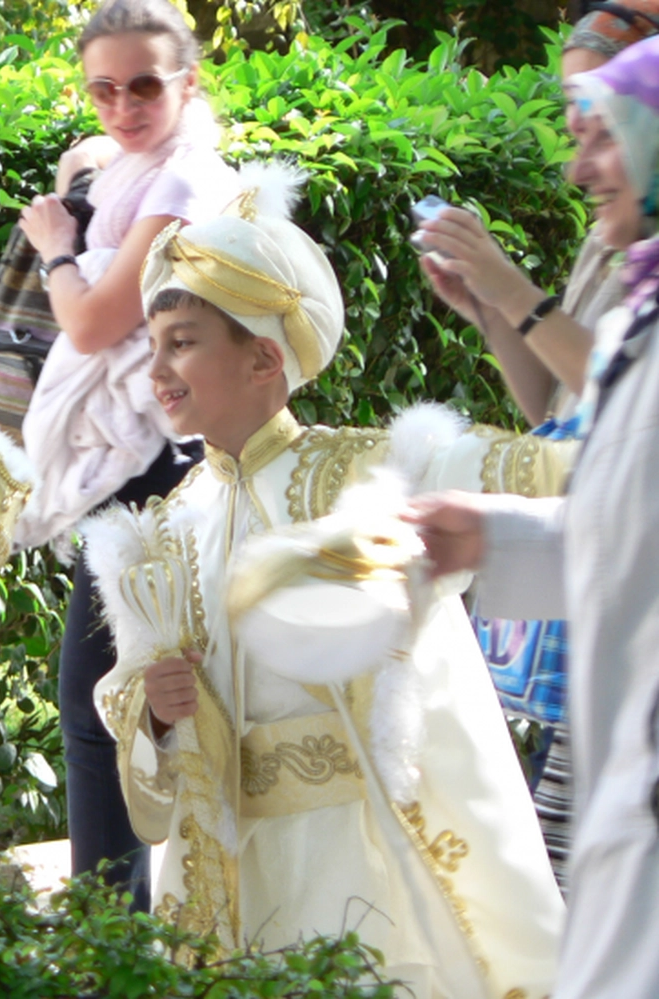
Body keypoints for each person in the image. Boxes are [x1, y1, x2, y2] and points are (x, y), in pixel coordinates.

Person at [86, 163, 566, 998]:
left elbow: (502, 467)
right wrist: (156, 717)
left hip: (362, 845)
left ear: (265, 358)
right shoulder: (161, 525)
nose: (157, 368)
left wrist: (600, 457)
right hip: (228, 860)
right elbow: (129, 687)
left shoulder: (351, 470)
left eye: (185, 342)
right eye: (153, 345)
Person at [409, 37, 659, 999]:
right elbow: (623, 505)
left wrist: (512, 292)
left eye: (605, 138)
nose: (578, 168)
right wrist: (494, 536)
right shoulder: (641, 304)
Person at [13, 0, 238, 910]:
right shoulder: (142, 168)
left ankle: (111, 935)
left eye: (144, 83)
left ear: (187, 82)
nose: (122, 104)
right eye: (103, 87)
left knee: (99, 706)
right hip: (150, 455)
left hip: (153, 464)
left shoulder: (184, 176)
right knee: (132, 701)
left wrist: (58, 250)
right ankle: (134, 923)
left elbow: (96, 317)